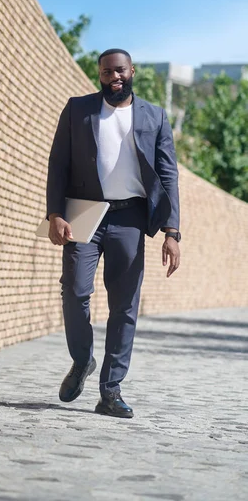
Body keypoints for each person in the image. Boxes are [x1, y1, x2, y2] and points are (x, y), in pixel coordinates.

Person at [46, 49, 181, 418]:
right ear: (100, 74)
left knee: (125, 306)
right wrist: (54, 213)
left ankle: (110, 390)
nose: (113, 78)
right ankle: (82, 359)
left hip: (131, 217)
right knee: (74, 290)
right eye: (106, 72)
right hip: (85, 214)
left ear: (132, 71)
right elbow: (58, 163)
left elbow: (168, 175)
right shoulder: (78, 109)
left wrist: (173, 231)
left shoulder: (154, 116)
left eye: (119, 71)